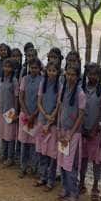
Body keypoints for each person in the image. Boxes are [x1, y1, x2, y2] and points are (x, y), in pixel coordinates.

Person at [57, 64, 86, 201]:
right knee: (62, 161)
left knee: (70, 164)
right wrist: (59, 129)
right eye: (68, 74)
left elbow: (81, 116)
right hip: (62, 131)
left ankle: (73, 193)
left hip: (73, 134)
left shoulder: (80, 94)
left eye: (73, 75)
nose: (70, 77)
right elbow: (60, 109)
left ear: (78, 76)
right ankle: (65, 188)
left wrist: (71, 134)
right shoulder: (63, 89)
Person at [79, 63, 101, 201]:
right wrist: (81, 127)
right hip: (82, 129)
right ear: (86, 74)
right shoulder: (81, 89)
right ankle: (81, 182)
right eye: (90, 74)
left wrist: (94, 128)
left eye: (95, 74)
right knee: (83, 158)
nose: (92, 77)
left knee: (96, 161)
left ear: (99, 75)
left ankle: (95, 186)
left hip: (94, 132)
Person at [35, 61, 61, 191]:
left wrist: (51, 119)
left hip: (53, 124)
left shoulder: (60, 86)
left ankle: (51, 180)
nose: (51, 73)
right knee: (42, 151)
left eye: (54, 70)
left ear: (58, 72)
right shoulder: (42, 84)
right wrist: (45, 115)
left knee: (52, 153)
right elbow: (39, 102)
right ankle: (42, 176)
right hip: (42, 120)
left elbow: (59, 105)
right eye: (49, 70)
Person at [18, 58, 43, 177]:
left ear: (39, 68)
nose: (34, 70)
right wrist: (27, 114)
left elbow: (41, 100)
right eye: (32, 67)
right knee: (24, 143)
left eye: (36, 68)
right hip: (25, 116)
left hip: (36, 116)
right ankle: (23, 166)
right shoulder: (25, 79)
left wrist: (34, 115)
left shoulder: (42, 81)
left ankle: (33, 167)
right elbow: (21, 97)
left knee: (34, 143)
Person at [0, 59, 19, 166]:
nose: (6, 69)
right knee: (3, 134)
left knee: (10, 136)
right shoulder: (1, 79)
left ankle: (10, 158)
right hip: (2, 110)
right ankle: (3, 155)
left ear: (13, 69)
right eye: (5, 66)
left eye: (9, 67)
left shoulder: (14, 81)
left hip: (10, 111)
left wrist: (15, 112)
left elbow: (16, 97)